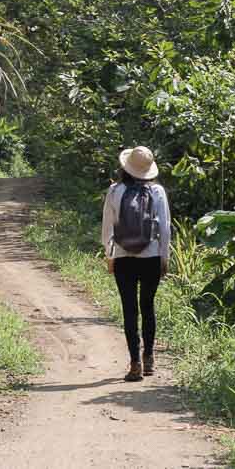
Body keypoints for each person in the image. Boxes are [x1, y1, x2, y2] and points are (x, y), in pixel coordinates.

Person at [101, 145, 171, 382]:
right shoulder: (158, 191)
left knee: (129, 310)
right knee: (148, 307)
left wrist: (110, 255)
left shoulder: (114, 190)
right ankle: (149, 357)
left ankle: (135, 364)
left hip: (123, 257)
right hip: (151, 256)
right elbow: (165, 229)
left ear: (126, 166)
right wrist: (164, 257)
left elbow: (107, 228)